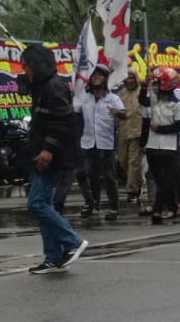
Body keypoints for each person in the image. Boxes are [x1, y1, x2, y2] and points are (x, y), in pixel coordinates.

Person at [20, 43, 88, 274]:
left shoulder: (54, 86)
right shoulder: (40, 87)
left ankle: (73, 240)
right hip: (39, 152)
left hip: (54, 155)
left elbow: (63, 122)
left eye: (27, 65)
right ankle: (53, 256)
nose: (24, 69)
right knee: (44, 204)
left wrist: (49, 149)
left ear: (36, 66)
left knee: (37, 203)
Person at [76, 64, 125, 220]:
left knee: (109, 176)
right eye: (93, 75)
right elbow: (74, 113)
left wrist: (118, 112)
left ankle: (113, 207)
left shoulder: (113, 98)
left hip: (106, 143)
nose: (96, 78)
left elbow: (124, 114)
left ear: (105, 79)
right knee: (85, 174)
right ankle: (91, 202)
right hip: (87, 142)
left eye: (99, 75)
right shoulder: (84, 97)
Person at [144, 67, 180, 223]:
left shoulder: (177, 104)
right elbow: (141, 101)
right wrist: (146, 83)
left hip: (169, 147)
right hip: (152, 146)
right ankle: (172, 207)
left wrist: (161, 129)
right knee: (159, 180)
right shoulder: (153, 100)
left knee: (166, 179)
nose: (155, 86)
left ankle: (157, 209)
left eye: (157, 82)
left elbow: (179, 125)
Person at [117, 68, 147, 207]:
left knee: (133, 161)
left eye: (132, 78)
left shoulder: (142, 92)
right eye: (127, 78)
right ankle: (138, 181)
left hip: (138, 132)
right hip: (123, 132)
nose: (129, 80)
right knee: (123, 160)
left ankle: (132, 191)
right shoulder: (120, 94)